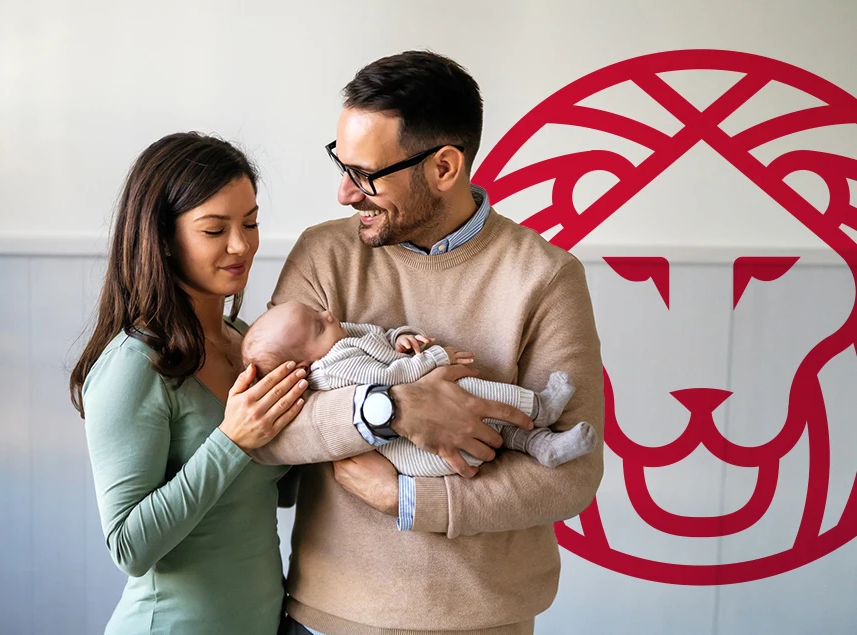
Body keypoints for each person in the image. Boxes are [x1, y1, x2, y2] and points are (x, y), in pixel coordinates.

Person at [250, 51, 605, 635]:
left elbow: (571, 474)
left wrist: (409, 499)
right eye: (341, 163)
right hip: (327, 619)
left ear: (443, 167)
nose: (344, 193)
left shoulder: (546, 277)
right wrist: (390, 409)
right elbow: (266, 430)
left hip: (483, 623)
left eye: (366, 174)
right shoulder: (323, 255)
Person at [69, 132, 307, 634]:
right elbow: (129, 548)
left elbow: (281, 491)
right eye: (215, 229)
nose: (241, 245)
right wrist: (231, 441)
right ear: (163, 239)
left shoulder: (247, 342)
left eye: (250, 223)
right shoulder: (133, 366)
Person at [242, 300, 596, 473]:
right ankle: (542, 408)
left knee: (492, 422)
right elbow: (390, 381)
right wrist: (434, 358)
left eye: (318, 311)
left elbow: (377, 338)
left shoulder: (336, 339)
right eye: (319, 325)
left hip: (451, 443)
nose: (329, 315)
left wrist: (401, 338)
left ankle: (541, 445)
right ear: (303, 367)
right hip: (427, 452)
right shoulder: (333, 367)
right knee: (472, 390)